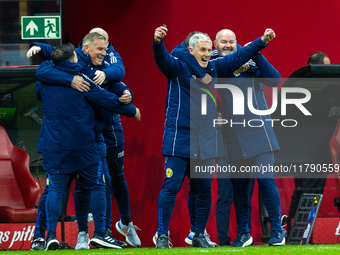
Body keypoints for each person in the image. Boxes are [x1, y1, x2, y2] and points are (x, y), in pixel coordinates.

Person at [152, 25, 275, 248]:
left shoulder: (216, 68)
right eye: (203, 50)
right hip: (180, 138)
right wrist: (158, 42)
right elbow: (165, 57)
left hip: (205, 140)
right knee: (171, 187)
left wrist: (261, 41)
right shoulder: (177, 67)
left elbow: (241, 54)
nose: (208, 54)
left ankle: (198, 233)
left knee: (203, 189)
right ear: (191, 51)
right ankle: (161, 234)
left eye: (210, 50)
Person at [29, 32, 135, 250]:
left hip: (55, 145)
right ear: (82, 51)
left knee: (55, 190)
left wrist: (125, 91)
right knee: (96, 185)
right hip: (85, 144)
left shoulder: (46, 80)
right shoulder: (82, 78)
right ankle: (98, 233)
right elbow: (105, 98)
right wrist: (131, 109)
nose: (105, 52)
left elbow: (43, 74)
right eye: (100, 48)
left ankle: (48, 236)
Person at [211, 29, 284, 247]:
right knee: (239, 188)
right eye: (223, 42)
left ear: (237, 42)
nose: (227, 45)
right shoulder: (213, 63)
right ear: (215, 44)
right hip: (232, 135)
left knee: (265, 180)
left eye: (231, 42)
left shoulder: (251, 59)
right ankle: (244, 233)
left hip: (258, 132)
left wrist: (255, 56)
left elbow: (274, 79)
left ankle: (277, 232)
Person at [288, 51, 331, 218]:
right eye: (327, 68)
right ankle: (304, 230)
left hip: (300, 150)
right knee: (311, 190)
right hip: (313, 150)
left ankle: (294, 231)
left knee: (301, 189)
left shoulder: (298, 88)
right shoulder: (317, 92)